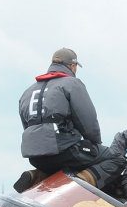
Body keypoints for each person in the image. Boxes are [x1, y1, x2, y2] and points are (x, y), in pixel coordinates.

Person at [16, 48, 109, 192]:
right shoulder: (72, 84)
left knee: (59, 161)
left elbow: (27, 126)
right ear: (72, 66)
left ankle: (37, 176)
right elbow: (89, 124)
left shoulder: (27, 91)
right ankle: (79, 184)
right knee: (114, 157)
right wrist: (95, 145)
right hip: (63, 151)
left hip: (34, 156)